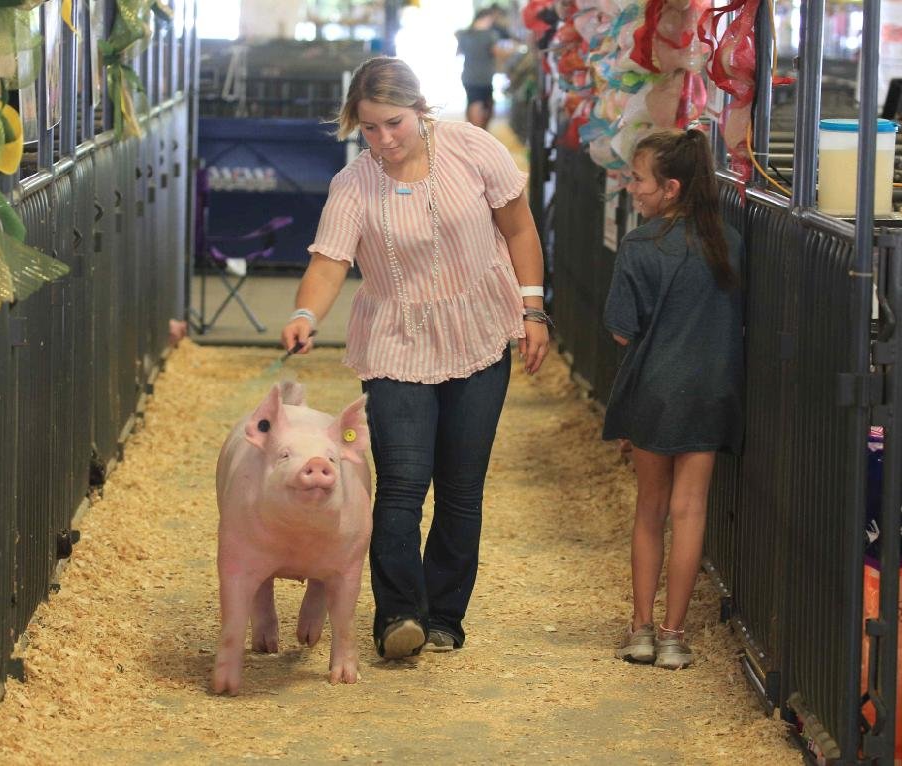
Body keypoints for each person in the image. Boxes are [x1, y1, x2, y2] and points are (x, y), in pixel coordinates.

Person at [281, 56, 550, 660]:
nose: (383, 140)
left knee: (461, 485)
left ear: (420, 109)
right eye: (369, 129)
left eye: (393, 124)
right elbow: (330, 261)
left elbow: (519, 229)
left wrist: (532, 309)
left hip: (479, 331)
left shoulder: (474, 151)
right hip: (396, 341)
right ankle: (398, 613)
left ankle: (445, 615)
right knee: (402, 483)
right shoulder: (354, 183)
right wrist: (305, 314)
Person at [603, 128, 744, 670]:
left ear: (671, 187)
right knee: (691, 512)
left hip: (654, 392)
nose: (632, 188)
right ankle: (674, 635)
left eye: (639, 179)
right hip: (711, 391)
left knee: (650, 510)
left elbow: (621, 330)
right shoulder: (728, 242)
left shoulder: (641, 245)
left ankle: (639, 628)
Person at [456, 9, 501, 130]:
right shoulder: (490, 35)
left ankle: (472, 132)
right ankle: (478, 134)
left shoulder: (464, 34)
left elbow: (458, 53)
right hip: (483, 77)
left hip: (468, 75)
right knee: (481, 105)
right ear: (486, 18)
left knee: (473, 103)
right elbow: (497, 52)